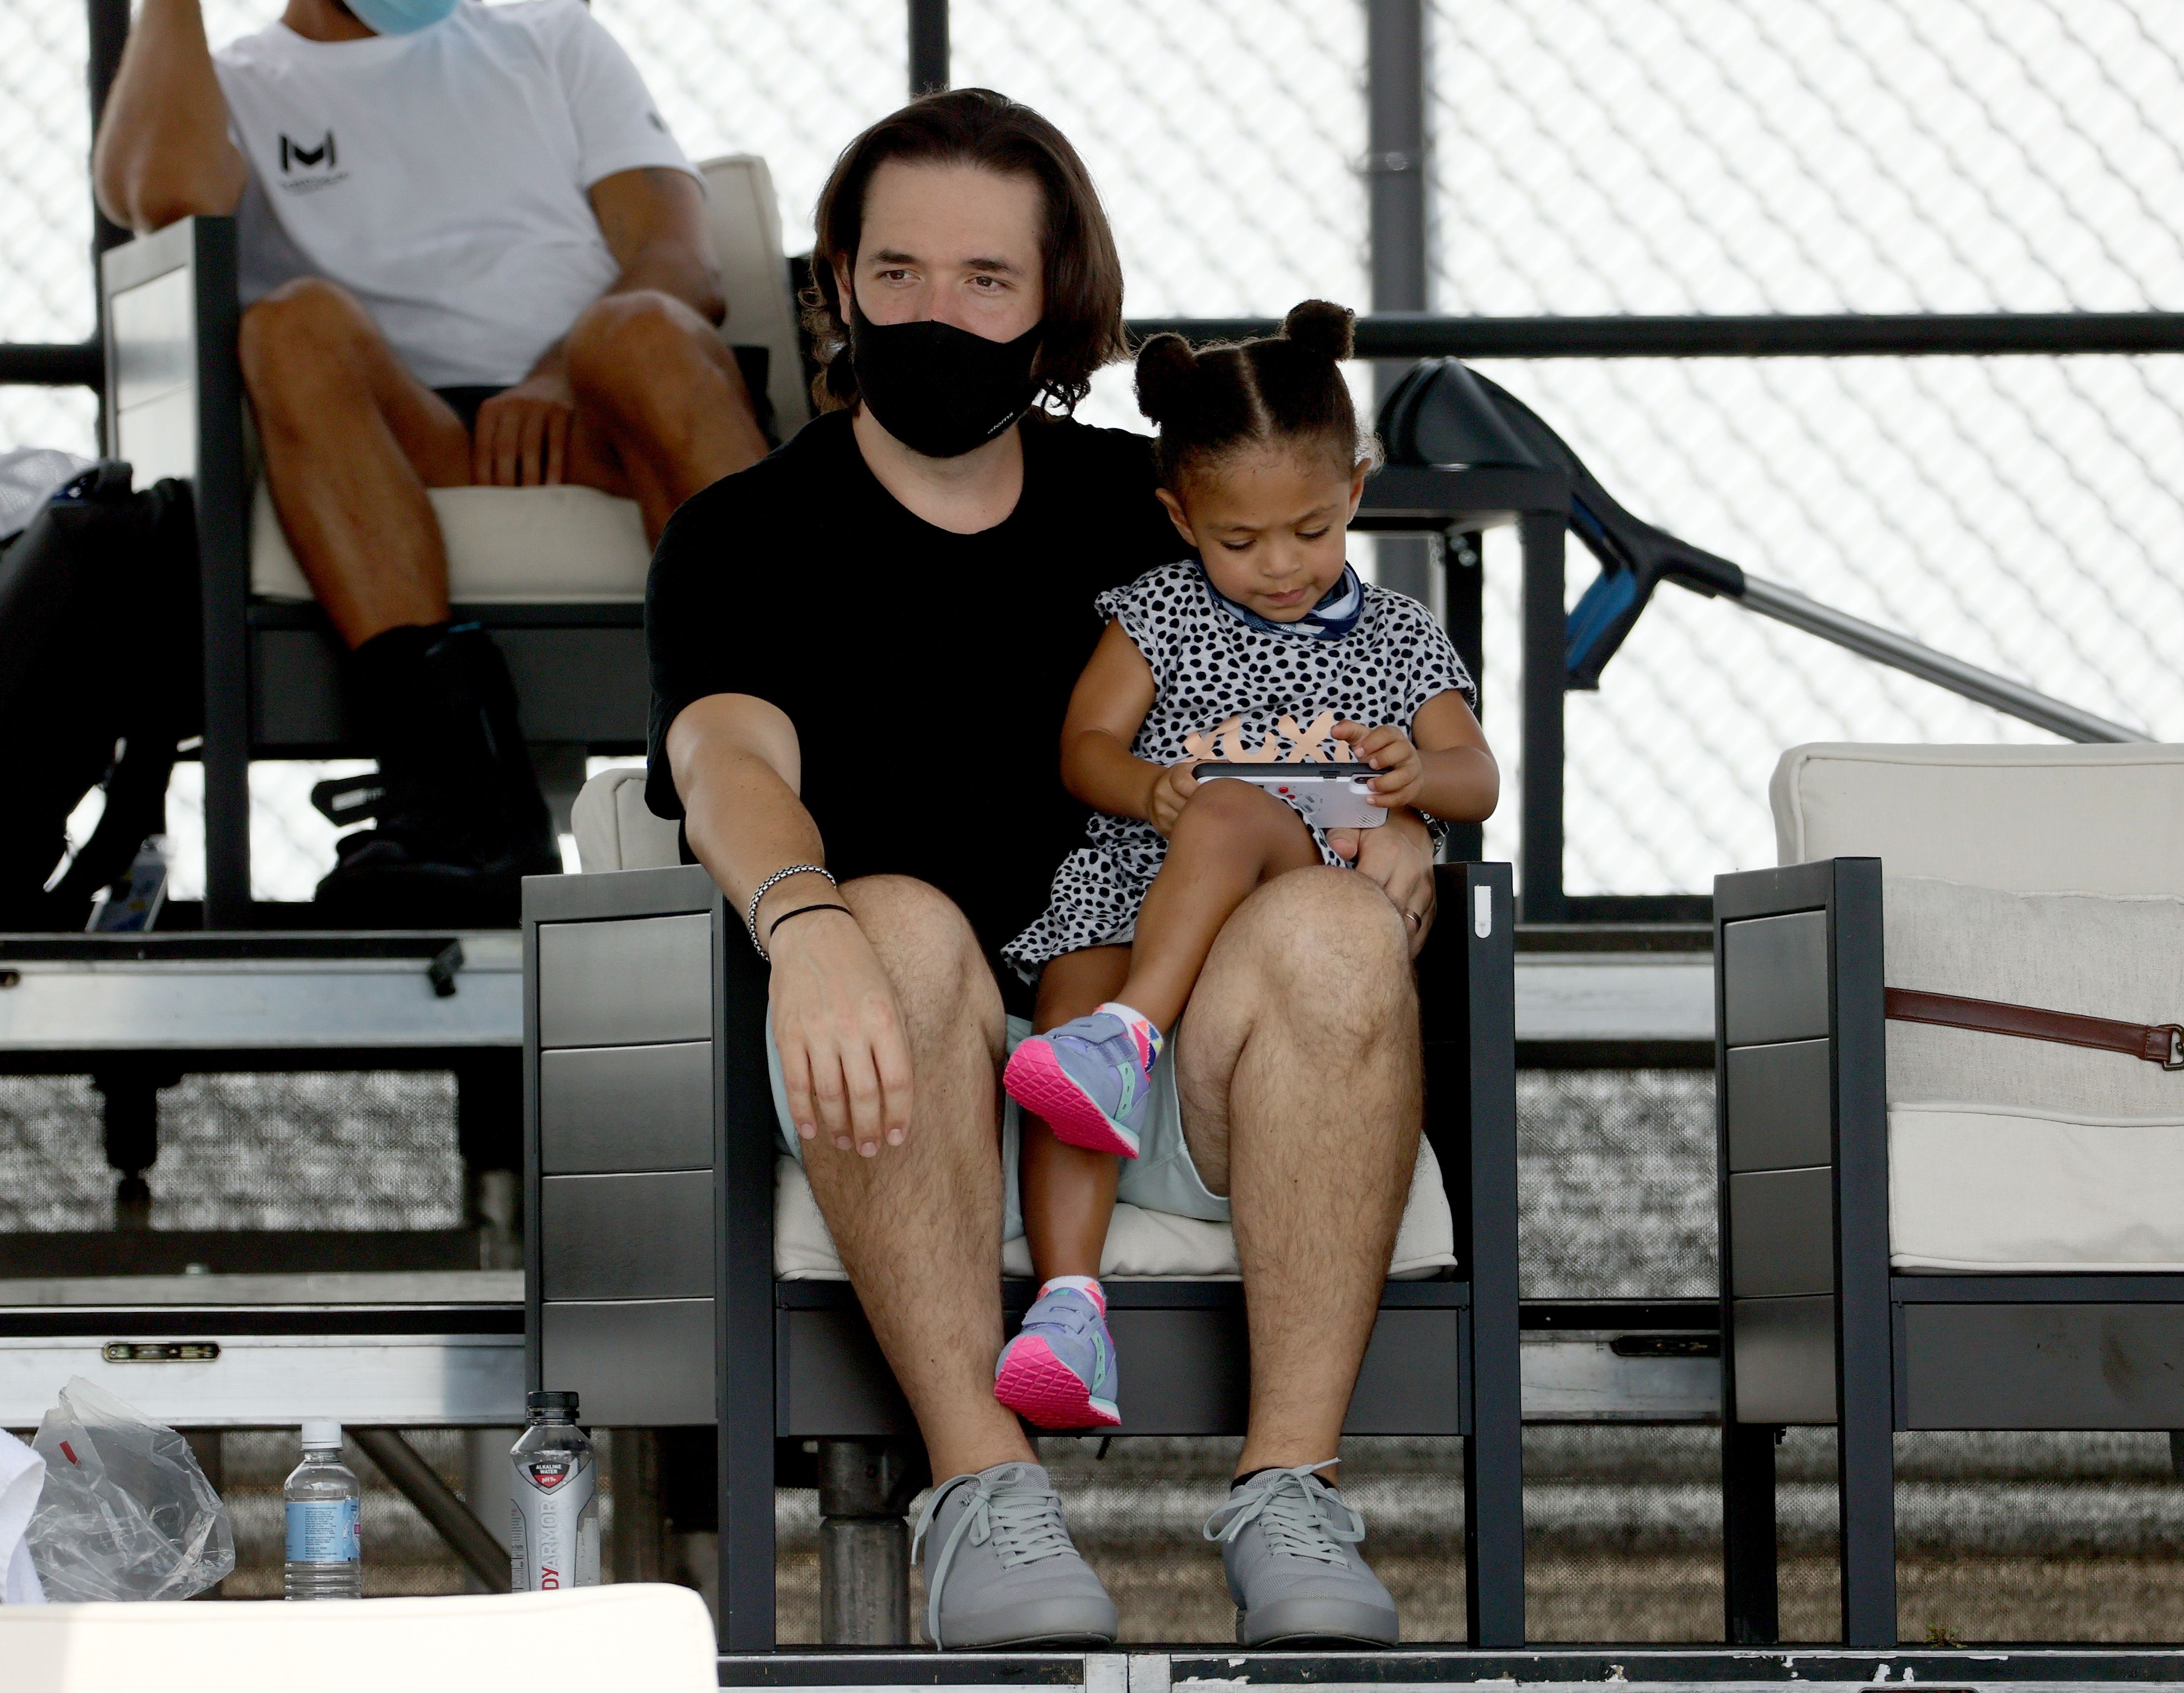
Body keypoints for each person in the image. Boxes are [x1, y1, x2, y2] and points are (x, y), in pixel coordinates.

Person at [650, 89, 1456, 1650]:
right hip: (905, 1060)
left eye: (984, 281)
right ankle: (983, 1490)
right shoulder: (744, 536)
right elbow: (725, 766)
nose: (933, 314)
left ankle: (1290, 1485)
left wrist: (1400, 818)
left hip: (1162, 1057)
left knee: (1340, 935)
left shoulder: (1153, 511)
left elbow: (1339, 676)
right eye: (896, 275)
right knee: (897, 920)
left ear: (1056, 304)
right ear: (836, 279)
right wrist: (801, 920)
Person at [92, 0, 771, 923]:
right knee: (293, 328)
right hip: (409, 440)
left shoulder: (550, 38)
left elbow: (682, 259)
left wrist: (555, 380)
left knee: (643, 329)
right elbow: (165, 202)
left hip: (597, 412)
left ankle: (819, 751)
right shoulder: (236, 89)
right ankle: (462, 805)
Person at [993, 303, 1497, 1444]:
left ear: (1359, 488)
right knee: (1062, 1008)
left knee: (1230, 804)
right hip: (1137, 884)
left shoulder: (1398, 635)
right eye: (1238, 540)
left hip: (1290, 898)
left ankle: (1130, 1035)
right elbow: (1085, 747)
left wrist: (1416, 773)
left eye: (1310, 530)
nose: (1278, 565)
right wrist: (1143, 791)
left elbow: (1479, 775)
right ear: (1180, 516)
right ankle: (1070, 1307)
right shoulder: (1156, 612)